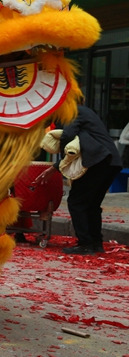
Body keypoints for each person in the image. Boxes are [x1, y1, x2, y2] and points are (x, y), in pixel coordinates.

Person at [37, 104, 122, 254]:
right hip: (111, 161)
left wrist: (57, 166)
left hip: (97, 161)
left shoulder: (71, 111)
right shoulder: (84, 111)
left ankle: (85, 244)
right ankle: (96, 243)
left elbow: (68, 135)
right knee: (92, 204)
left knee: (77, 202)